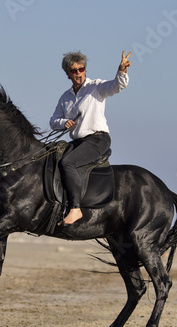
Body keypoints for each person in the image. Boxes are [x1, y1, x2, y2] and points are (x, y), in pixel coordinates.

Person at [49, 50, 131, 225]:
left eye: (81, 69)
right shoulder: (65, 97)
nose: (78, 73)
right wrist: (64, 122)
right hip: (78, 142)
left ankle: (75, 209)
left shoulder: (96, 86)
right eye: (74, 71)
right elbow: (53, 121)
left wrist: (121, 72)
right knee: (53, 157)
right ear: (68, 73)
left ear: (85, 69)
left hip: (97, 139)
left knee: (67, 163)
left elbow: (116, 86)